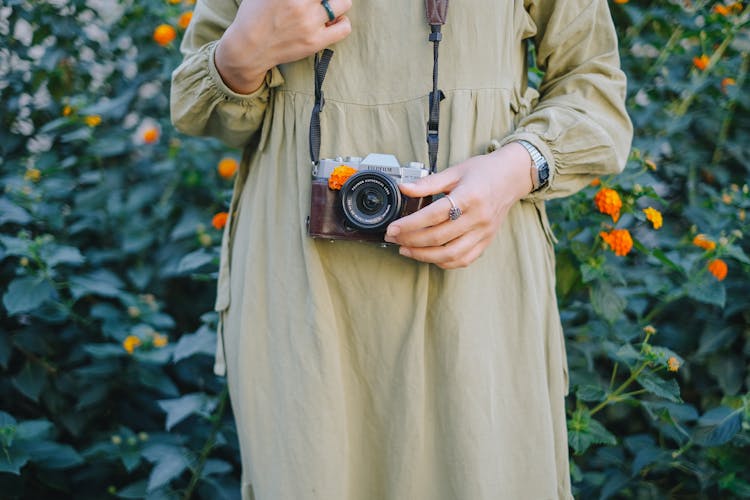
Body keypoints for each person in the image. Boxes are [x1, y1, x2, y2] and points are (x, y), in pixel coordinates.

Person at [170, 0, 632, 498]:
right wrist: (243, 54)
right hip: (299, 290)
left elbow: (595, 89)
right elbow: (203, 109)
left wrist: (516, 169)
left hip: (474, 284)